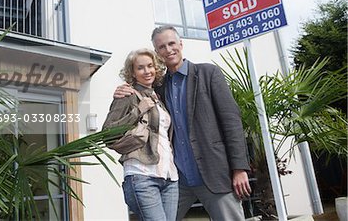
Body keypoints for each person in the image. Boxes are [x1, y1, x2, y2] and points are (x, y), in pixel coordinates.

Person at [114, 26, 252, 220]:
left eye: (171, 43)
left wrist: (239, 169)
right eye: (161, 47)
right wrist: (123, 90)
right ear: (157, 53)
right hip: (177, 180)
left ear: (181, 44)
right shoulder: (158, 88)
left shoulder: (208, 73)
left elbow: (231, 122)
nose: (168, 49)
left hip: (213, 173)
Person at [102, 48, 179, 221]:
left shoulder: (158, 97)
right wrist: (139, 110)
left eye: (150, 66)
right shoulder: (127, 95)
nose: (147, 71)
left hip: (169, 176)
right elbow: (107, 133)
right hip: (142, 174)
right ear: (132, 72)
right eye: (140, 68)